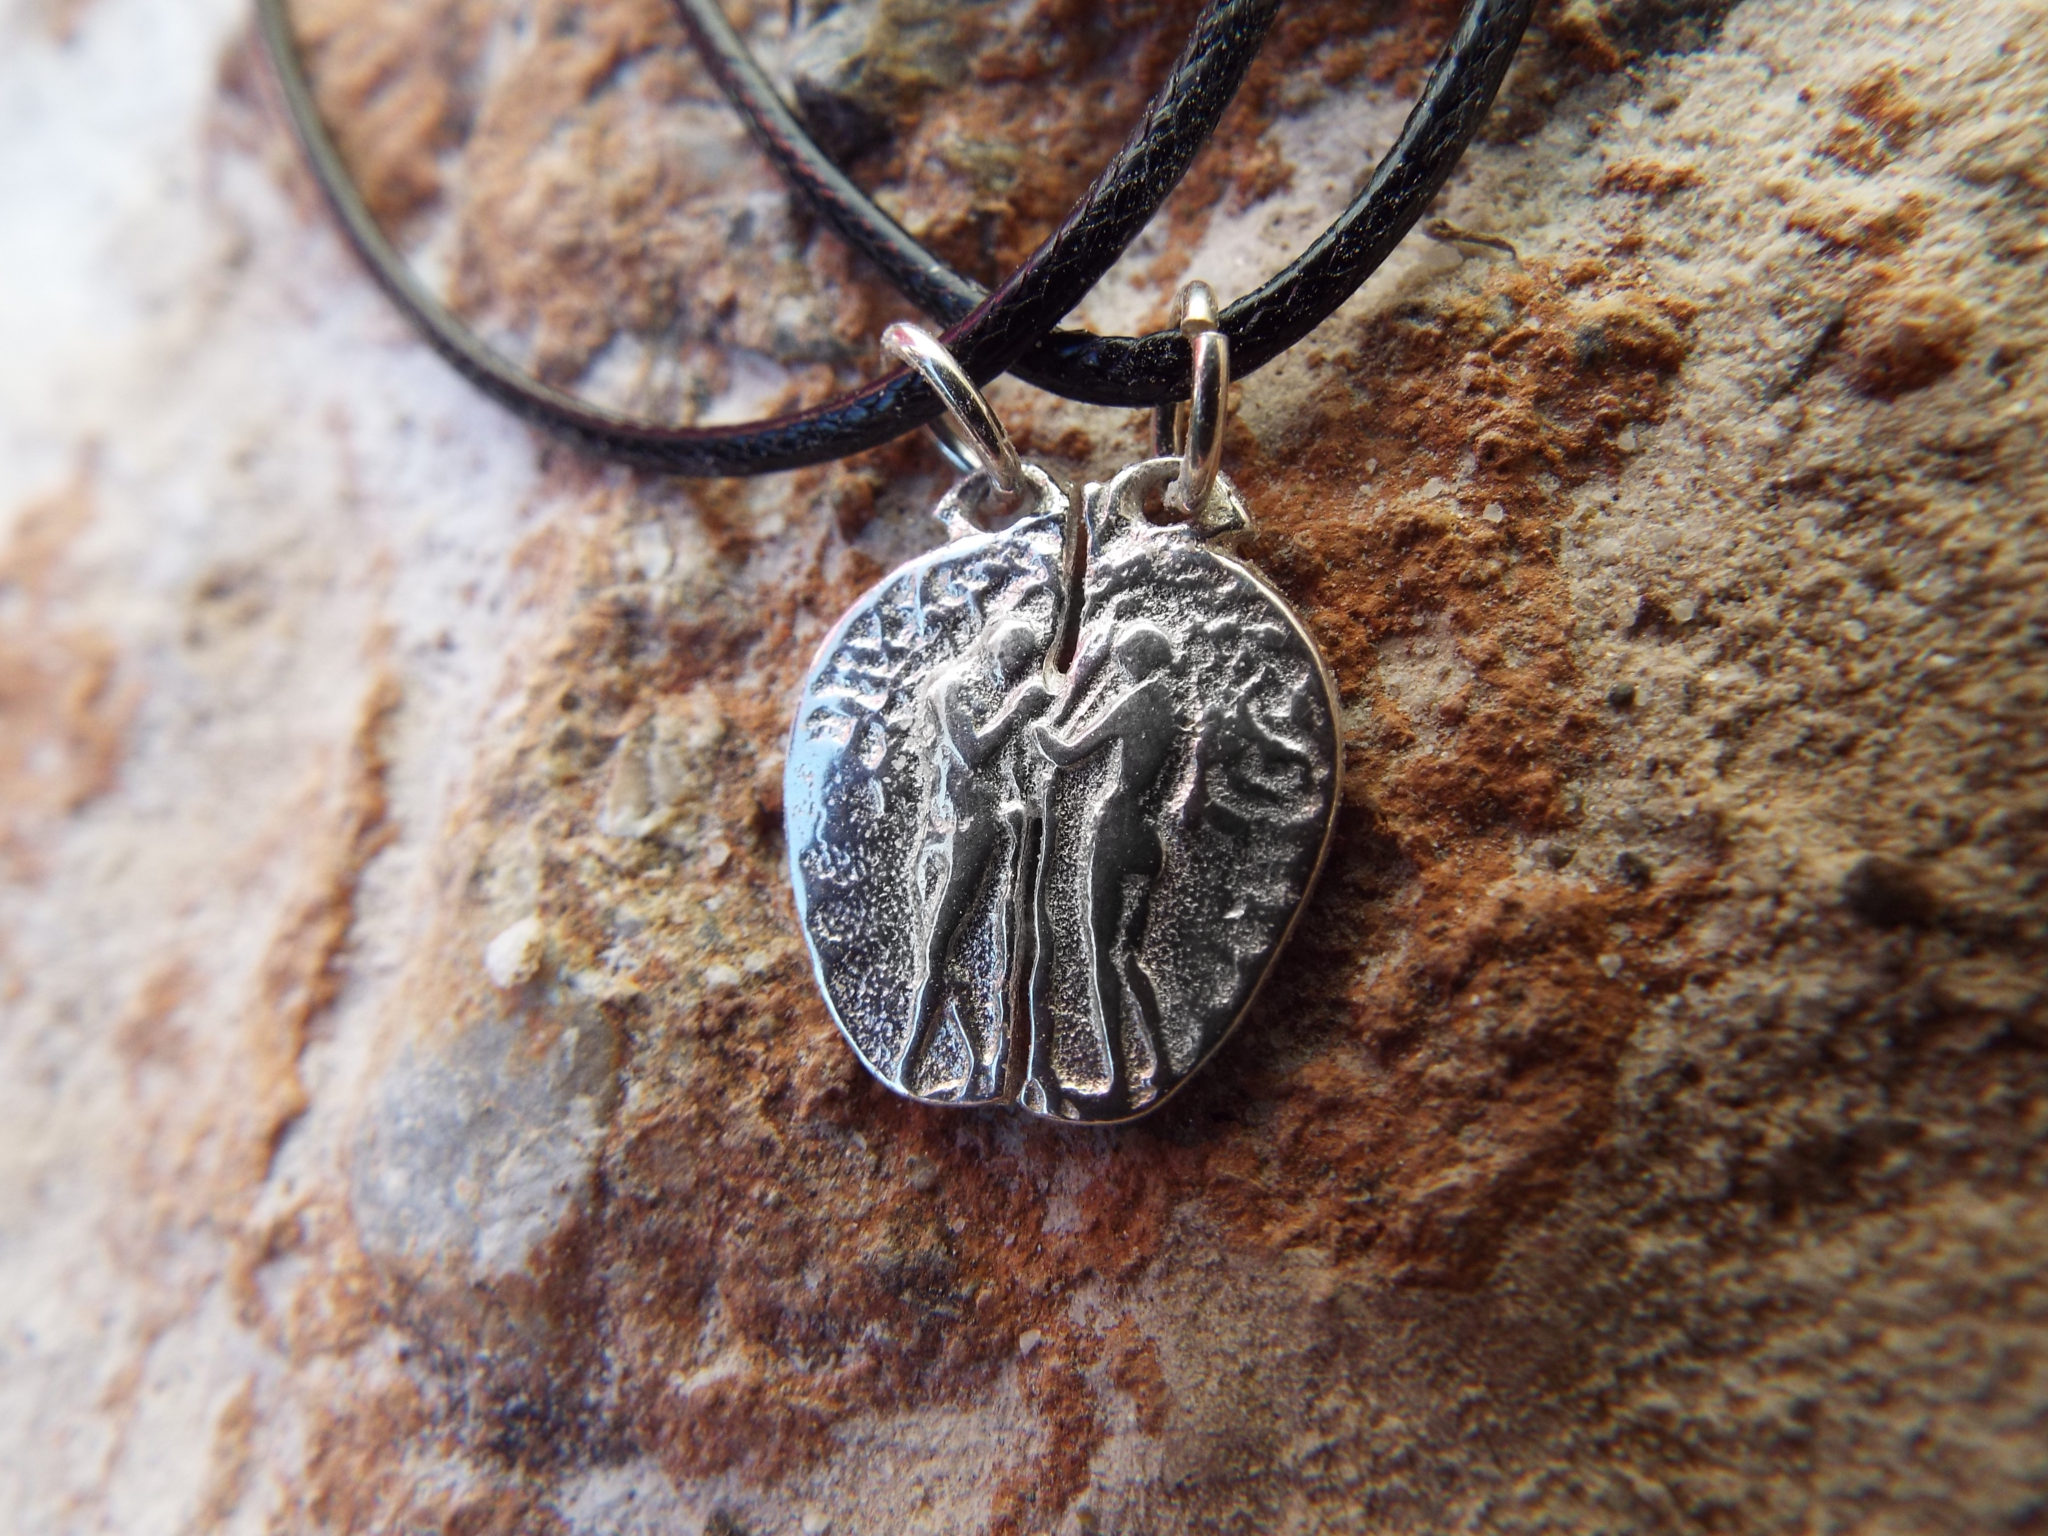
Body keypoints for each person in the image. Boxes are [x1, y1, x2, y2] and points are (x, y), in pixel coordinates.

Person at [1029, 621, 1181, 1109]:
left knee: (1101, 958)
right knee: (1128, 957)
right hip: (1147, 837)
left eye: (1123, 658)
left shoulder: (1137, 700)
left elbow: (1069, 751)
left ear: (1135, 659)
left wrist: (1037, 725)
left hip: (1116, 828)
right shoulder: (1169, 705)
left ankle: (1116, 1079)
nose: (1120, 664)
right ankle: (1159, 1062)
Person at [899, 617, 1049, 1092]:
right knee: (940, 947)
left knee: (981, 939)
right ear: (995, 652)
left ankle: (980, 1062)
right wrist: (1017, 709)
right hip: (958, 828)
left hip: (985, 826)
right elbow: (973, 751)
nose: (1016, 672)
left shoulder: (995, 689)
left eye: (1023, 666)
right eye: (1014, 662)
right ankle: (916, 1055)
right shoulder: (953, 688)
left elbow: (1014, 766)